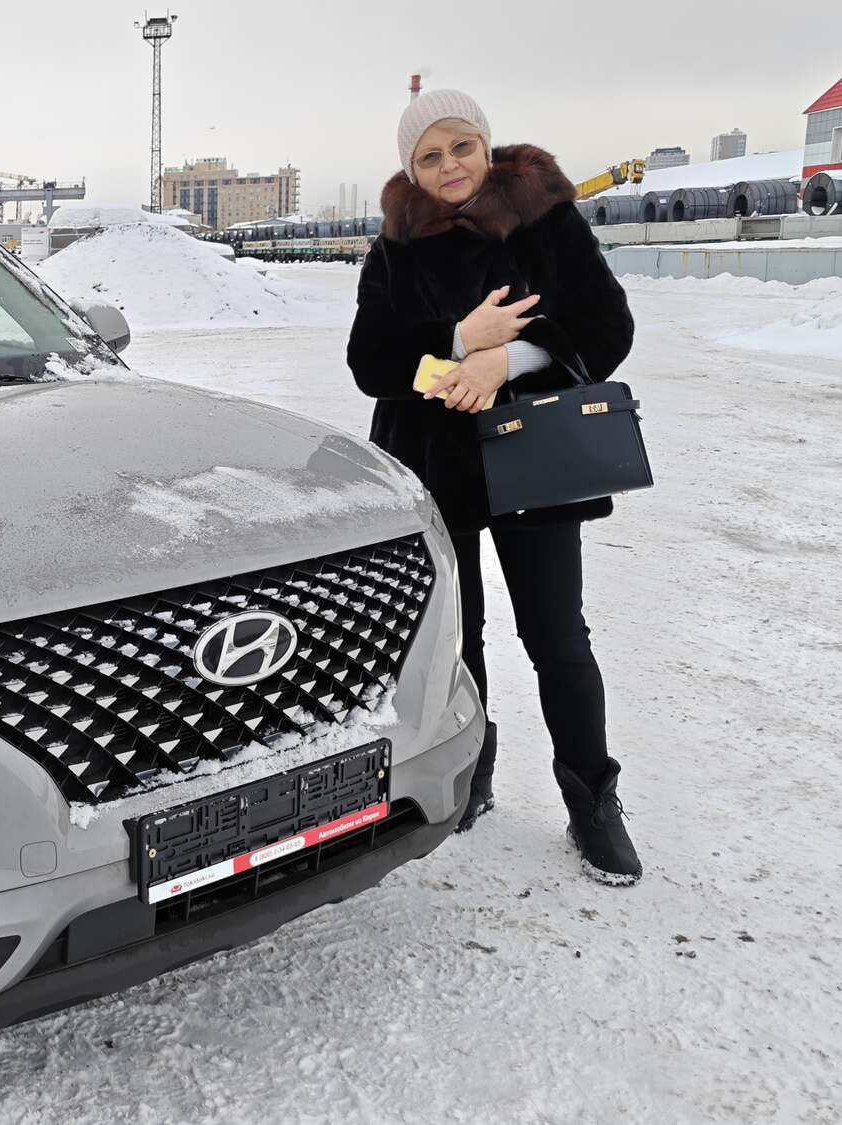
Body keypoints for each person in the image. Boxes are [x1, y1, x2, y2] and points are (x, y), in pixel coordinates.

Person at [346, 89, 641, 885]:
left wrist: (506, 360)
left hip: (534, 455)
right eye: (429, 156)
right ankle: (470, 770)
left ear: (486, 143)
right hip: (433, 462)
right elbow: (371, 361)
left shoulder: (544, 217)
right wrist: (453, 347)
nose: (449, 167)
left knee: (557, 636)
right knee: (457, 637)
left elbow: (607, 327)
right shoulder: (397, 244)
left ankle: (592, 796)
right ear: (411, 168)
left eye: (461, 147)